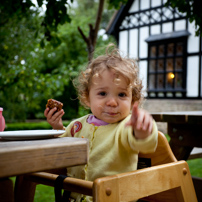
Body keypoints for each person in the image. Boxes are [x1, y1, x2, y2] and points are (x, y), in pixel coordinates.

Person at [44, 44, 158, 202]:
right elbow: (62, 149)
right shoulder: (77, 125)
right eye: (103, 93)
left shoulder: (124, 127)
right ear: (86, 97)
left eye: (122, 94)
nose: (112, 102)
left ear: (133, 101)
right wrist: (57, 127)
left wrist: (142, 132)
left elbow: (142, 142)